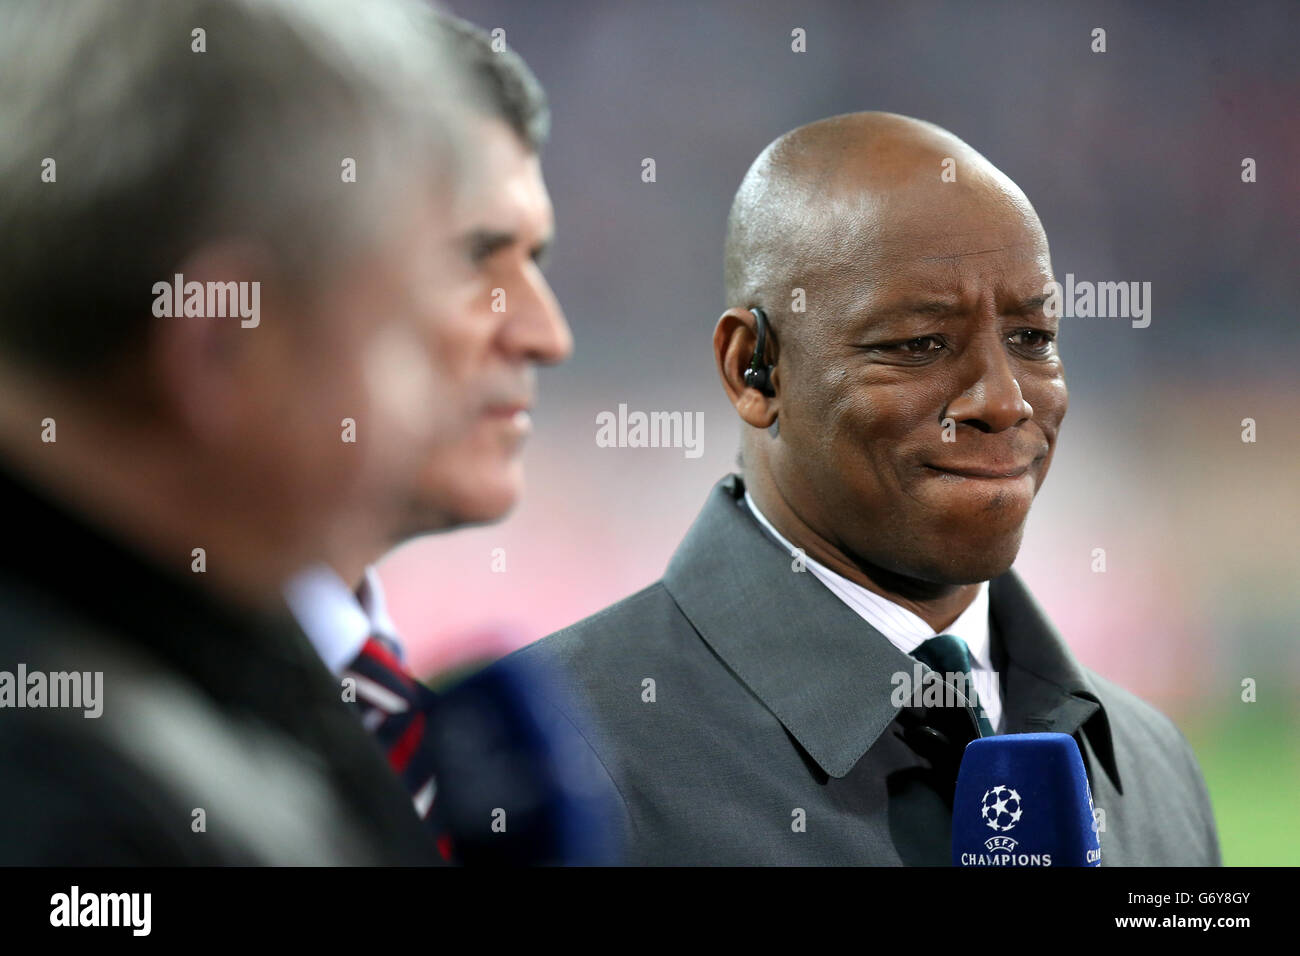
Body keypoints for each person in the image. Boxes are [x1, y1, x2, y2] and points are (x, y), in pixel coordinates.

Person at [505, 112, 1222, 865]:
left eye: (1033, 339)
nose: (1005, 401)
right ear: (755, 368)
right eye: (919, 345)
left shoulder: (1153, 767)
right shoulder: (550, 772)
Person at [0, 0, 479, 864]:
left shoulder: (200, 613)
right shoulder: (67, 813)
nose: (451, 397)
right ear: (222, 344)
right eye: (407, 333)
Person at [282, 15, 608, 864]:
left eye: (535, 260)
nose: (547, 333)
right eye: (474, 258)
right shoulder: (83, 734)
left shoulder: (444, 751)